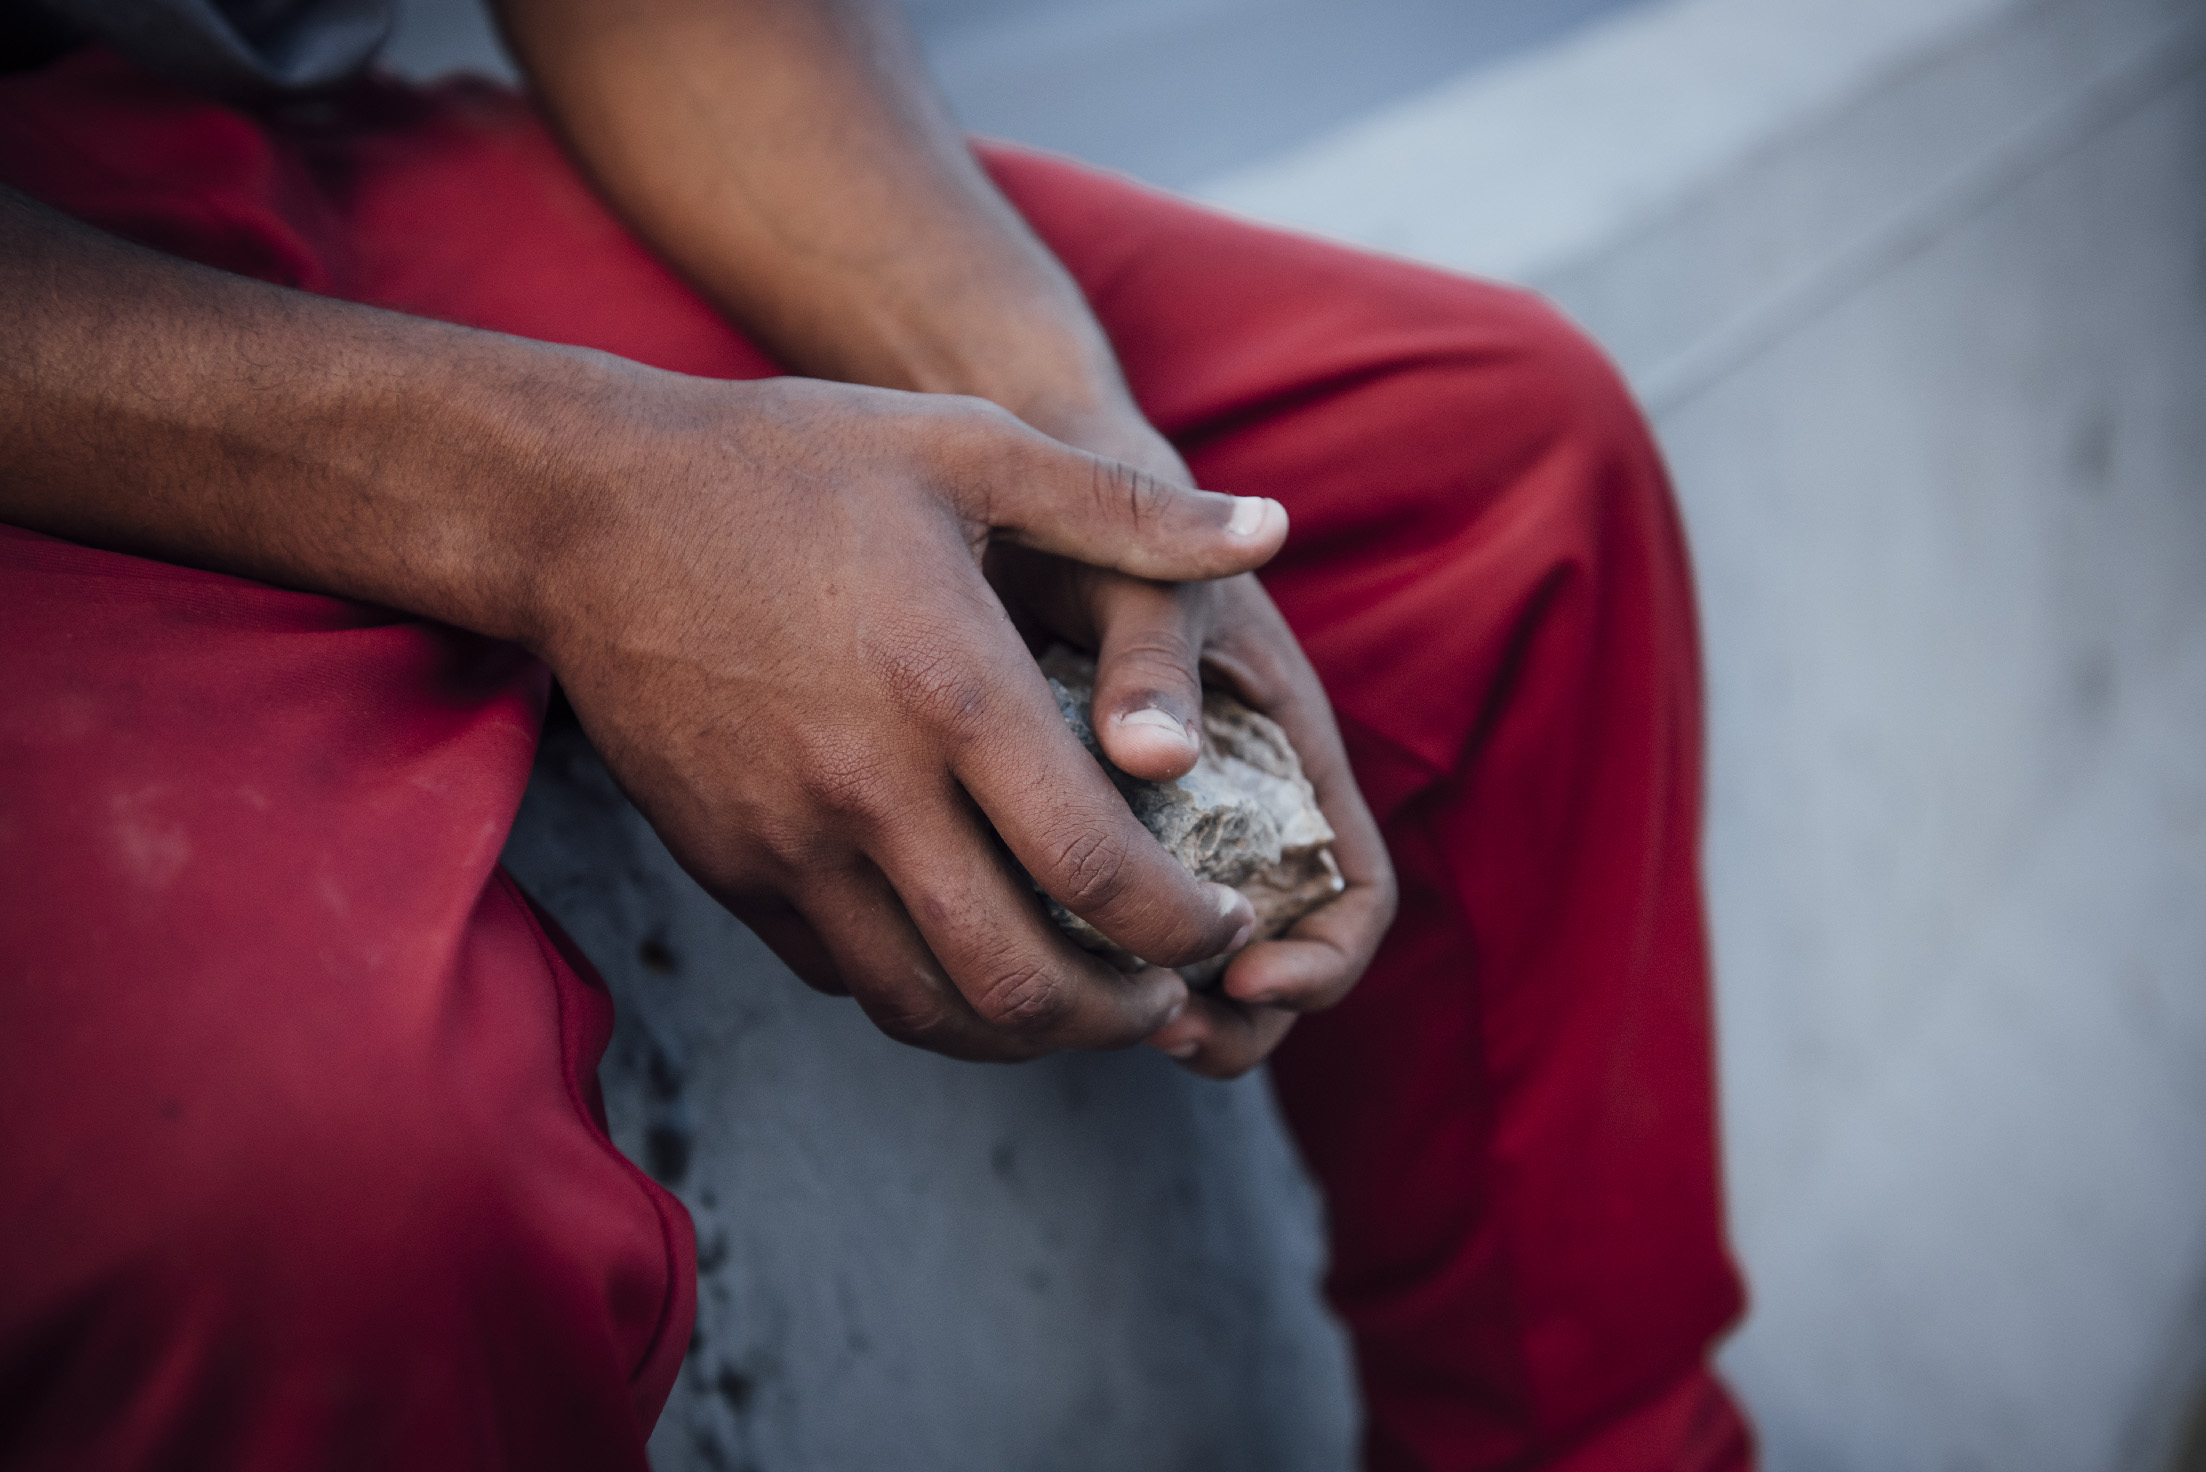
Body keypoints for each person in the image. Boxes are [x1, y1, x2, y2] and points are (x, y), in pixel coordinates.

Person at [0, 0, 1751, 1466]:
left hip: (276, 141)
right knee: (286, 1191)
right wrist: (566, 504)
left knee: (1487, 479)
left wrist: (1071, 444)